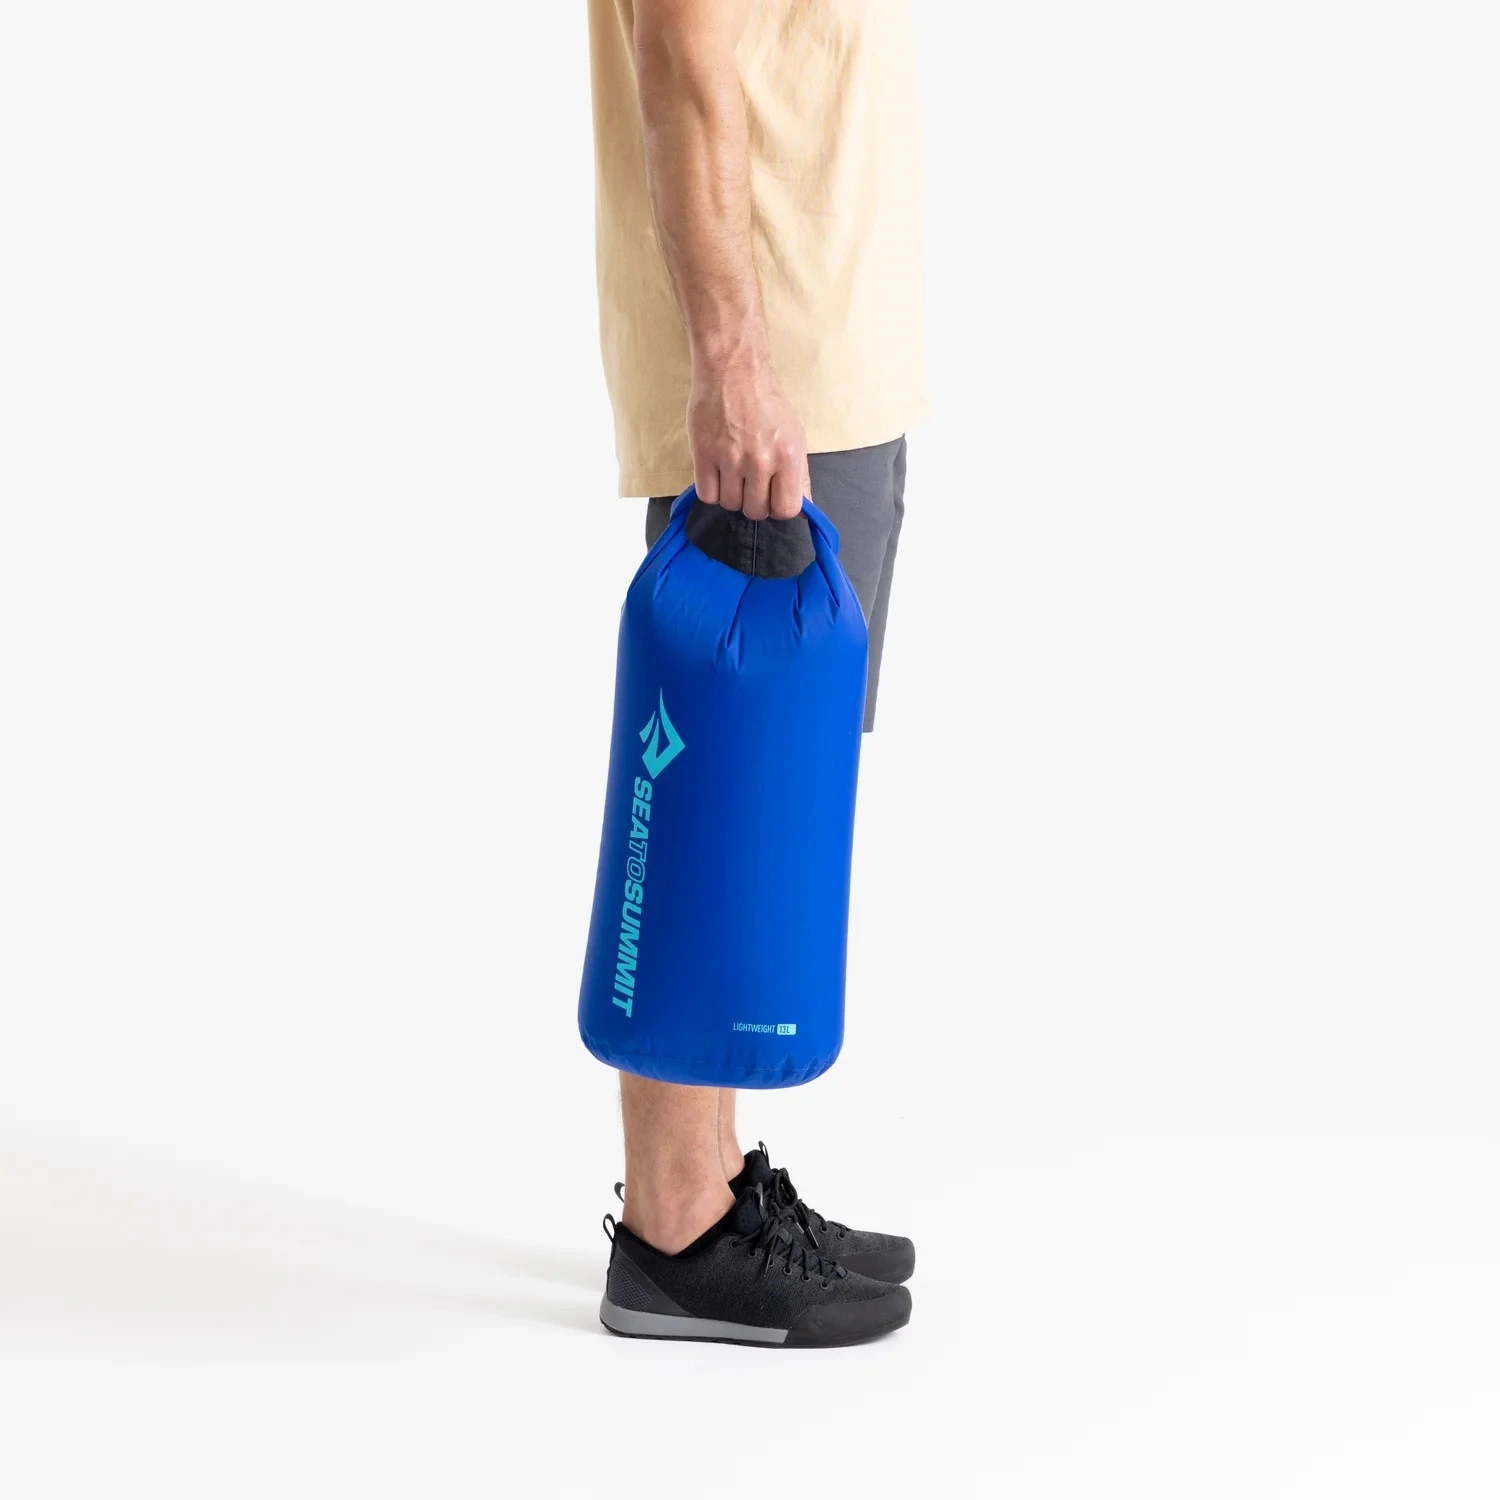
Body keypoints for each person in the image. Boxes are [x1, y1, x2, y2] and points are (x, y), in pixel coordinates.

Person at [587, 0, 927, 1346]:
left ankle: (711, 1188)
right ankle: (676, 1224)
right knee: (724, 782)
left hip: (821, 340)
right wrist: (733, 365)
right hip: (775, 364)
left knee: (762, 791)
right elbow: (681, 56)